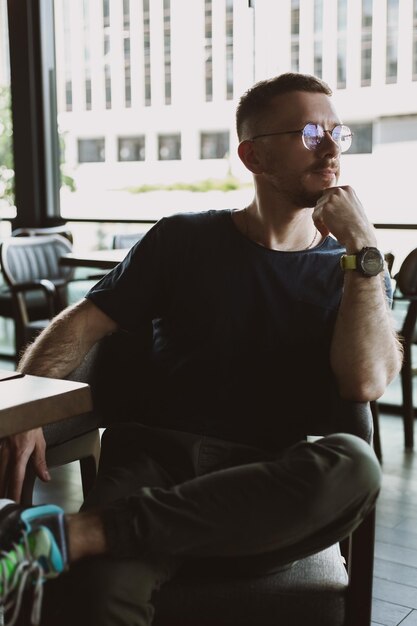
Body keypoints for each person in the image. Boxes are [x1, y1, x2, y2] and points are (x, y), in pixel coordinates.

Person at [0, 72, 402, 626]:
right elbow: (82, 325)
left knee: (356, 465)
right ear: (253, 156)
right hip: (153, 465)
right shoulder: (182, 239)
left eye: (338, 131)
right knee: (98, 596)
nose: (332, 147)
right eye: (310, 133)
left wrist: (363, 245)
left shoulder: (357, 266)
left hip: (265, 484)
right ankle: (105, 541)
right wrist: (28, 409)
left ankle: (78, 535)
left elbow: (364, 382)